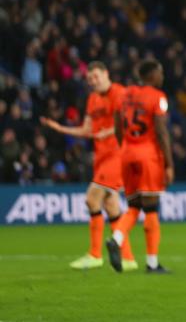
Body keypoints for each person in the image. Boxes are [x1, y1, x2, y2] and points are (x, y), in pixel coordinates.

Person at [40, 61, 136, 271]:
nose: (93, 81)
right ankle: (128, 258)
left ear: (106, 73)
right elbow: (86, 130)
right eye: (90, 78)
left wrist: (109, 132)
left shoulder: (119, 93)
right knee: (111, 206)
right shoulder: (92, 99)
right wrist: (60, 128)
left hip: (117, 155)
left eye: (96, 76)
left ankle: (94, 254)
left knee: (92, 198)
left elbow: (129, 121)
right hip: (101, 157)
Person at [106, 60, 174, 274]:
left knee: (134, 206)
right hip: (148, 155)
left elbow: (117, 125)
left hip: (126, 153)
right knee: (151, 208)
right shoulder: (158, 97)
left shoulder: (123, 95)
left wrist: (125, 147)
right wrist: (169, 163)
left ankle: (116, 239)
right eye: (160, 72)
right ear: (152, 76)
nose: (162, 76)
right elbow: (161, 131)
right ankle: (152, 263)